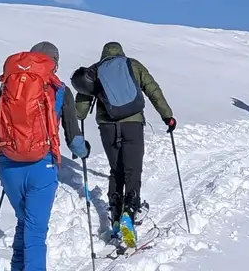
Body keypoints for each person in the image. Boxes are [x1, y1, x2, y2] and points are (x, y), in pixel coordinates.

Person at [0, 41, 83, 271]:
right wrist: (81, 149)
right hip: (41, 167)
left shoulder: (8, 86)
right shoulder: (58, 88)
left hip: (9, 167)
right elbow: (73, 138)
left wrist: (6, 158)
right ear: (53, 62)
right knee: (36, 232)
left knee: (24, 224)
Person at [72, 41, 174, 247]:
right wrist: (167, 116)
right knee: (132, 171)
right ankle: (130, 212)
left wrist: (79, 118)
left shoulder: (95, 70)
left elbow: (81, 109)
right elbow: (152, 89)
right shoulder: (132, 65)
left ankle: (116, 217)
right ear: (121, 53)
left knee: (115, 170)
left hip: (108, 127)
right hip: (133, 124)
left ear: (104, 55)